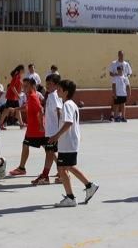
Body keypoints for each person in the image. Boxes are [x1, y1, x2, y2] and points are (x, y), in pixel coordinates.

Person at [49, 79, 99, 207]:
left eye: (59, 89)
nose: (57, 91)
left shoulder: (67, 105)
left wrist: (56, 136)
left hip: (67, 142)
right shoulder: (71, 104)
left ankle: (72, 196)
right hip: (69, 141)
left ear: (66, 92)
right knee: (67, 167)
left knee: (62, 168)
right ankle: (88, 186)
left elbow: (69, 122)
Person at [8, 78, 47, 178]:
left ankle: (21, 168)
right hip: (33, 129)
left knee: (48, 149)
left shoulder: (33, 96)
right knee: (43, 148)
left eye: (26, 85)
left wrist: (41, 126)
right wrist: (16, 109)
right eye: (23, 85)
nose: (24, 87)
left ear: (33, 86)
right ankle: (21, 168)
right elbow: (27, 107)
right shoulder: (30, 97)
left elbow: (40, 111)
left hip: (36, 130)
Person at [41, 72, 64, 185]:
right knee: (50, 152)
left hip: (54, 131)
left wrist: (60, 131)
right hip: (50, 130)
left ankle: (48, 176)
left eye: (50, 84)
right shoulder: (50, 95)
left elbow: (59, 111)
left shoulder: (54, 95)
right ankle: (59, 174)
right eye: (46, 83)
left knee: (50, 153)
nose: (47, 85)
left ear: (56, 85)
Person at [108, 51, 133, 119]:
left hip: (123, 85)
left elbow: (129, 73)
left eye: (122, 55)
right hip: (116, 84)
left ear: (124, 55)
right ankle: (112, 114)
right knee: (114, 99)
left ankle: (120, 115)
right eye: (120, 55)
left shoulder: (126, 64)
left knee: (122, 102)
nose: (121, 56)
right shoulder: (114, 63)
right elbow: (110, 73)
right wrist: (116, 75)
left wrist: (126, 77)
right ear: (118, 55)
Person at [0, 65, 24, 129]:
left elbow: (18, 86)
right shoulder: (16, 76)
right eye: (23, 70)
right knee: (7, 110)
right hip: (11, 97)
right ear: (20, 70)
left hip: (14, 97)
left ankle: (21, 124)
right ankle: (0, 123)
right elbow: (12, 86)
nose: (24, 71)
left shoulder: (18, 77)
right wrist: (17, 95)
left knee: (17, 110)